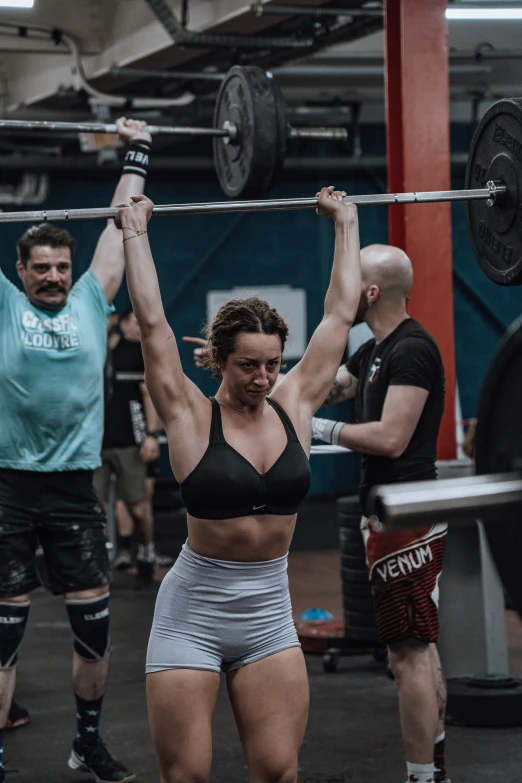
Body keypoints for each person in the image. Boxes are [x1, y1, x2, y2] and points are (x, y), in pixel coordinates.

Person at [113, 186, 361, 783]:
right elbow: (152, 322)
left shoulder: (295, 402)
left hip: (268, 613)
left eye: (273, 362)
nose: (263, 376)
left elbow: (340, 312)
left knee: (278, 771)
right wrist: (133, 231)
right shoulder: (189, 415)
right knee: (188, 776)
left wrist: (346, 222)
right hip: (192, 612)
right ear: (219, 357)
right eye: (248, 364)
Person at [0, 117, 153, 783]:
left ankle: (87, 742)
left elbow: (121, 224)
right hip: (9, 486)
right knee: (4, 639)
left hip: (75, 487)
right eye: (43, 268)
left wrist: (137, 152)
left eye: (62, 266)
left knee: (94, 630)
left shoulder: (93, 298)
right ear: (22, 271)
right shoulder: (6, 307)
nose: (55, 276)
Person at [311, 244, 449, 783]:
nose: (340, 286)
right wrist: (244, 370)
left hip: (406, 512)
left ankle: (421, 777)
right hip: (389, 514)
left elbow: (391, 438)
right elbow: (324, 389)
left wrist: (320, 430)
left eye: (348, 279)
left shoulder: (412, 349)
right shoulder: (371, 352)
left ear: (370, 292)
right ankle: (433, 770)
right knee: (419, 648)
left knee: (407, 656)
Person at [95, 307, 163, 586]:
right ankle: (97, 564)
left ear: (114, 321)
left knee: (137, 506)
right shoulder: (87, 353)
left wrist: (151, 435)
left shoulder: (134, 351)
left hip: (130, 443)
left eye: (106, 316)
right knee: (93, 509)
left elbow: (150, 394)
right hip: (92, 445)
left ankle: (146, 550)